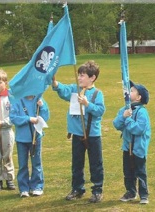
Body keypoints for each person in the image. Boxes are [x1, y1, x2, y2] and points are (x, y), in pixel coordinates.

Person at [52, 60, 106, 203]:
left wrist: (87, 104)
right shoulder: (74, 89)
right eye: (79, 75)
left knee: (96, 163)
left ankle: (97, 190)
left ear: (92, 77)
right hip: (77, 134)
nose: (79, 78)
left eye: (82, 75)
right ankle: (77, 188)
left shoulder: (97, 93)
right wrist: (55, 83)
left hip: (92, 135)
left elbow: (100, 111)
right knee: (77, 163)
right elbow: (63, 91)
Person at [113, 80, 151, 204]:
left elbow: (138, 129)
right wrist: (123, 116)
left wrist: (128, 119)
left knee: (140, 171)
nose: (129, 92)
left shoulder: (142, 112)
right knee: (128, 171)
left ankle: (144, 195)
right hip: (126, 147)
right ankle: (130, 192)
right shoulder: (125, 109)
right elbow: (117, 124)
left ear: (139, 97)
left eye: (132, 91)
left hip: (138, 148)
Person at [9, 94, 49, 198]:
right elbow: (13, 118)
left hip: (36, 138)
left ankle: (37, 186)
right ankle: (24, 188)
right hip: (21, 139)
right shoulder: (17, 101)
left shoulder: (39, 100)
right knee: (22, 165)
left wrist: (42, 106)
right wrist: (28, 119)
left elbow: (45, 117)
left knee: (36, 163)